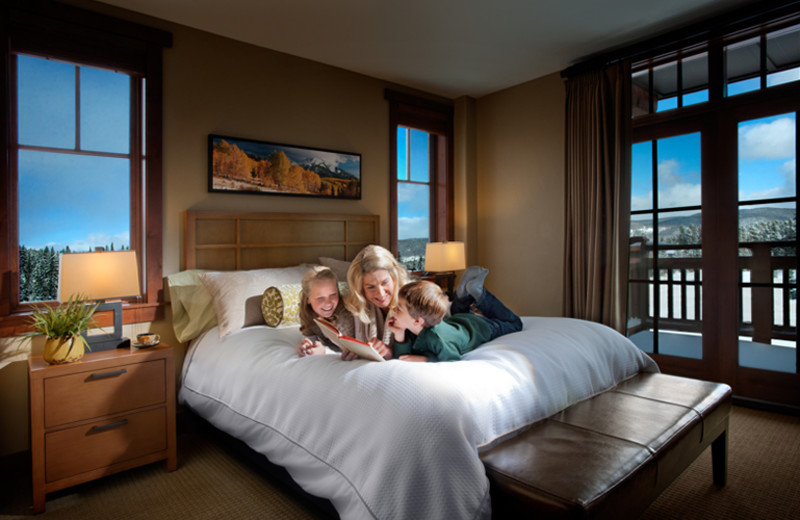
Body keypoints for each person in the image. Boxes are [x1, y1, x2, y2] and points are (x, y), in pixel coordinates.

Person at [387, 266, 523, 362]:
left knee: (515, 323)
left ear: (418, 321)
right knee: (459, 311)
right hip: (458, 321)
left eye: (399, 308)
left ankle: (479, 295)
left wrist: (426, 360)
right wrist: (399, 335)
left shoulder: (439, 340)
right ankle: (465, 294)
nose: (393, 309)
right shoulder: (412, 328)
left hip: (480, 327)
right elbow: (403, 358)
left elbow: (452, 362)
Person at [344, 244, 411, 360]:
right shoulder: (357, 306)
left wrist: (389, 352)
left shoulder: (412, 301)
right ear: (361, 289)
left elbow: (422, 350)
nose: (380, 293)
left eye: (385, 282)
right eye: (370, 287)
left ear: (394, 277)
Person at [295, 266, 356, 357]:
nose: (328, 303)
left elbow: (350, 350)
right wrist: (307, 345)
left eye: (333, 295)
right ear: (308, 299)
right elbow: (310, 335)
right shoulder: (307, 312)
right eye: (320, 298)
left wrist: (325, 351)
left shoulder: (346, 314)